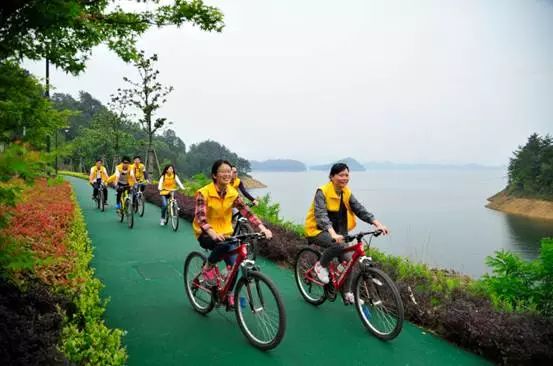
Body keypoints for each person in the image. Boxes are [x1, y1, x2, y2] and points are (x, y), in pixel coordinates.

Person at [304, 163, 389, 304]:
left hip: (339, 234)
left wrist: (377, 223)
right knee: (338, 245)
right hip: (317, 230)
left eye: (347, 175)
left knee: (350, 260)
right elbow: (321, 215)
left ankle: (348, 293)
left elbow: (359, 209)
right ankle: (321, 265)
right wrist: (332, 233)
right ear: (332, 176)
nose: (344, 178)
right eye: (341, 175)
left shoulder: (346, 192)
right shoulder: (322, 191)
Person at [193, 160, 272, 307]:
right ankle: (208, 266)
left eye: (229, 171)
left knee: (235, 264)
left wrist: (262, 227)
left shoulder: (232, 193)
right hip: (205, 234)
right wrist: (211, 232)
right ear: (214, 175)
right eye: (223, 171)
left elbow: (246, 211)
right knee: (222, 243)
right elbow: (200, 218)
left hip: (226, 234)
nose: (227, 174)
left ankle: (228, 294)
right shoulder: (203, 193)